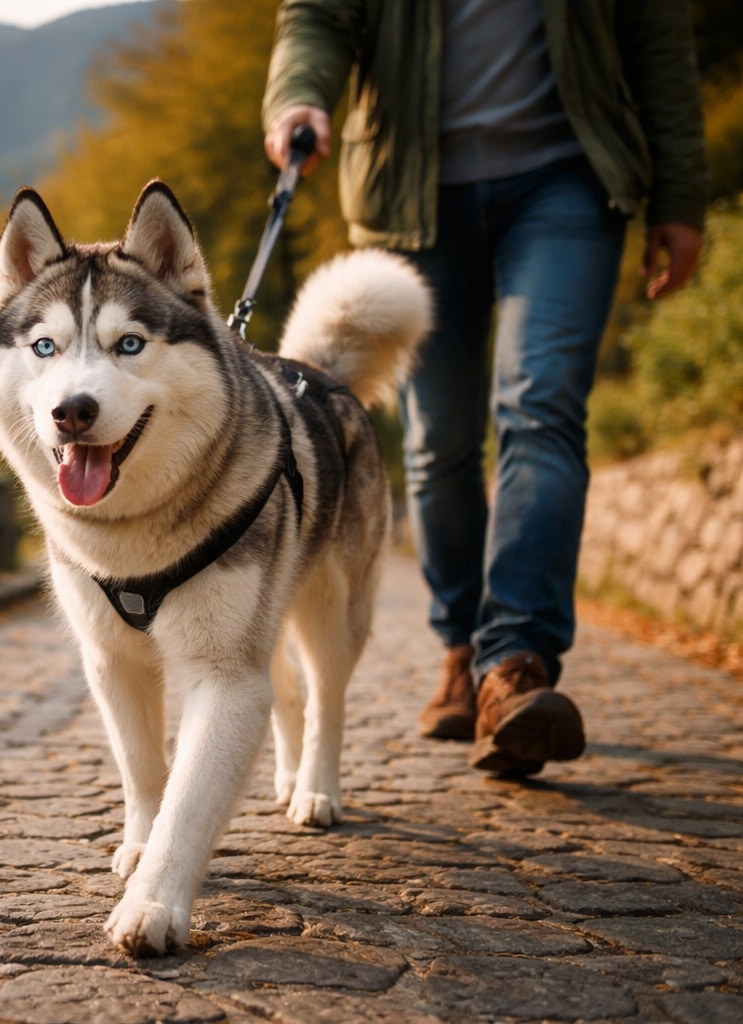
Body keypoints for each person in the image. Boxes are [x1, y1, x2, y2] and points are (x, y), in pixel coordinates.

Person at [262, 0, 707, 775]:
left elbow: (656, 33)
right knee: (439, 444)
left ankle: (515, 664)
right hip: (412, 188)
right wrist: (300, 92)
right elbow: (319, 15)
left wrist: (681, 193)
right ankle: (460, 647)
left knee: (541, 408)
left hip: (569, 174)